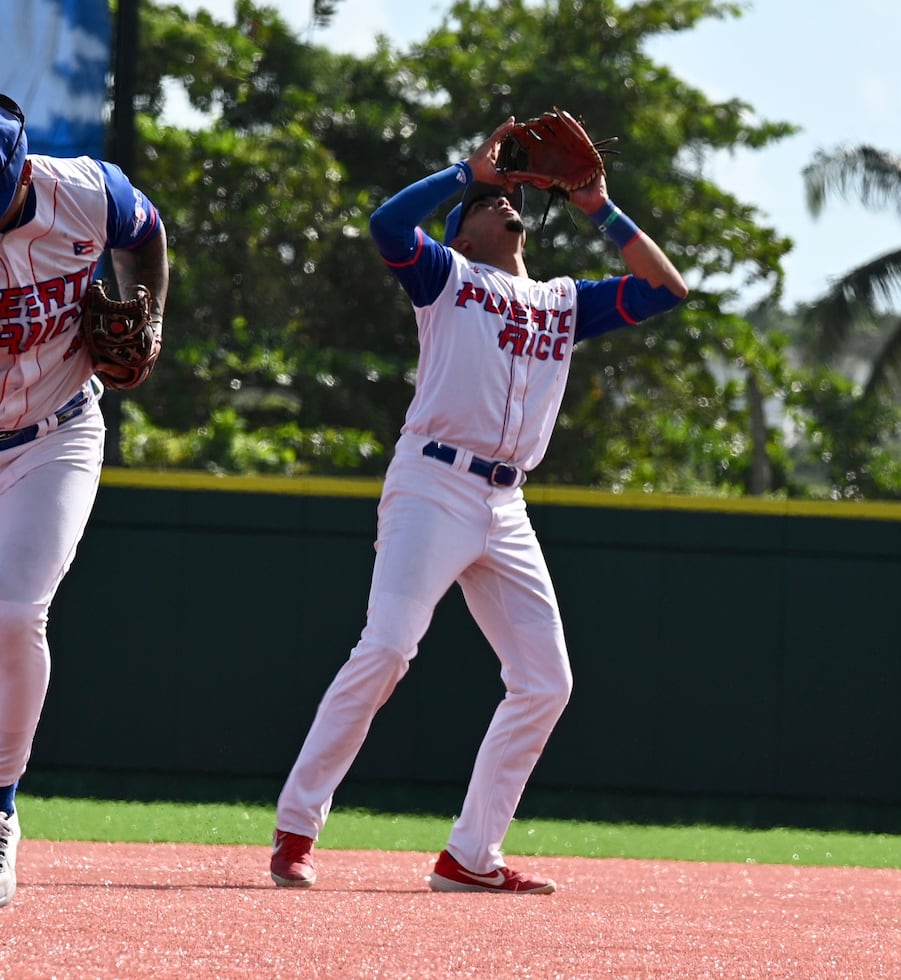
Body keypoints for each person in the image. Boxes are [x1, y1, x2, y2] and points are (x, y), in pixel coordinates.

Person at [270, 116, 687, 894]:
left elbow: (668, 289)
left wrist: (598, 205)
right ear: (459, 235)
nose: (504, 204)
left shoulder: (564, 302)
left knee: (545, 682)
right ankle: (297, 826)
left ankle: (471, 854)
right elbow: (387, 223)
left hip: (506, 504)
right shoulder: (446, 279)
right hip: (432, 483)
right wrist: (467, 175)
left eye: (508, 199)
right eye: (489, 203)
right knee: (388, 649)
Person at [0, 93, 169, 908]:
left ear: (21, 172)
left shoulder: (87, 191)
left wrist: (155, 318)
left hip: (55, 433)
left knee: (14, 613)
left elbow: (147, 235)